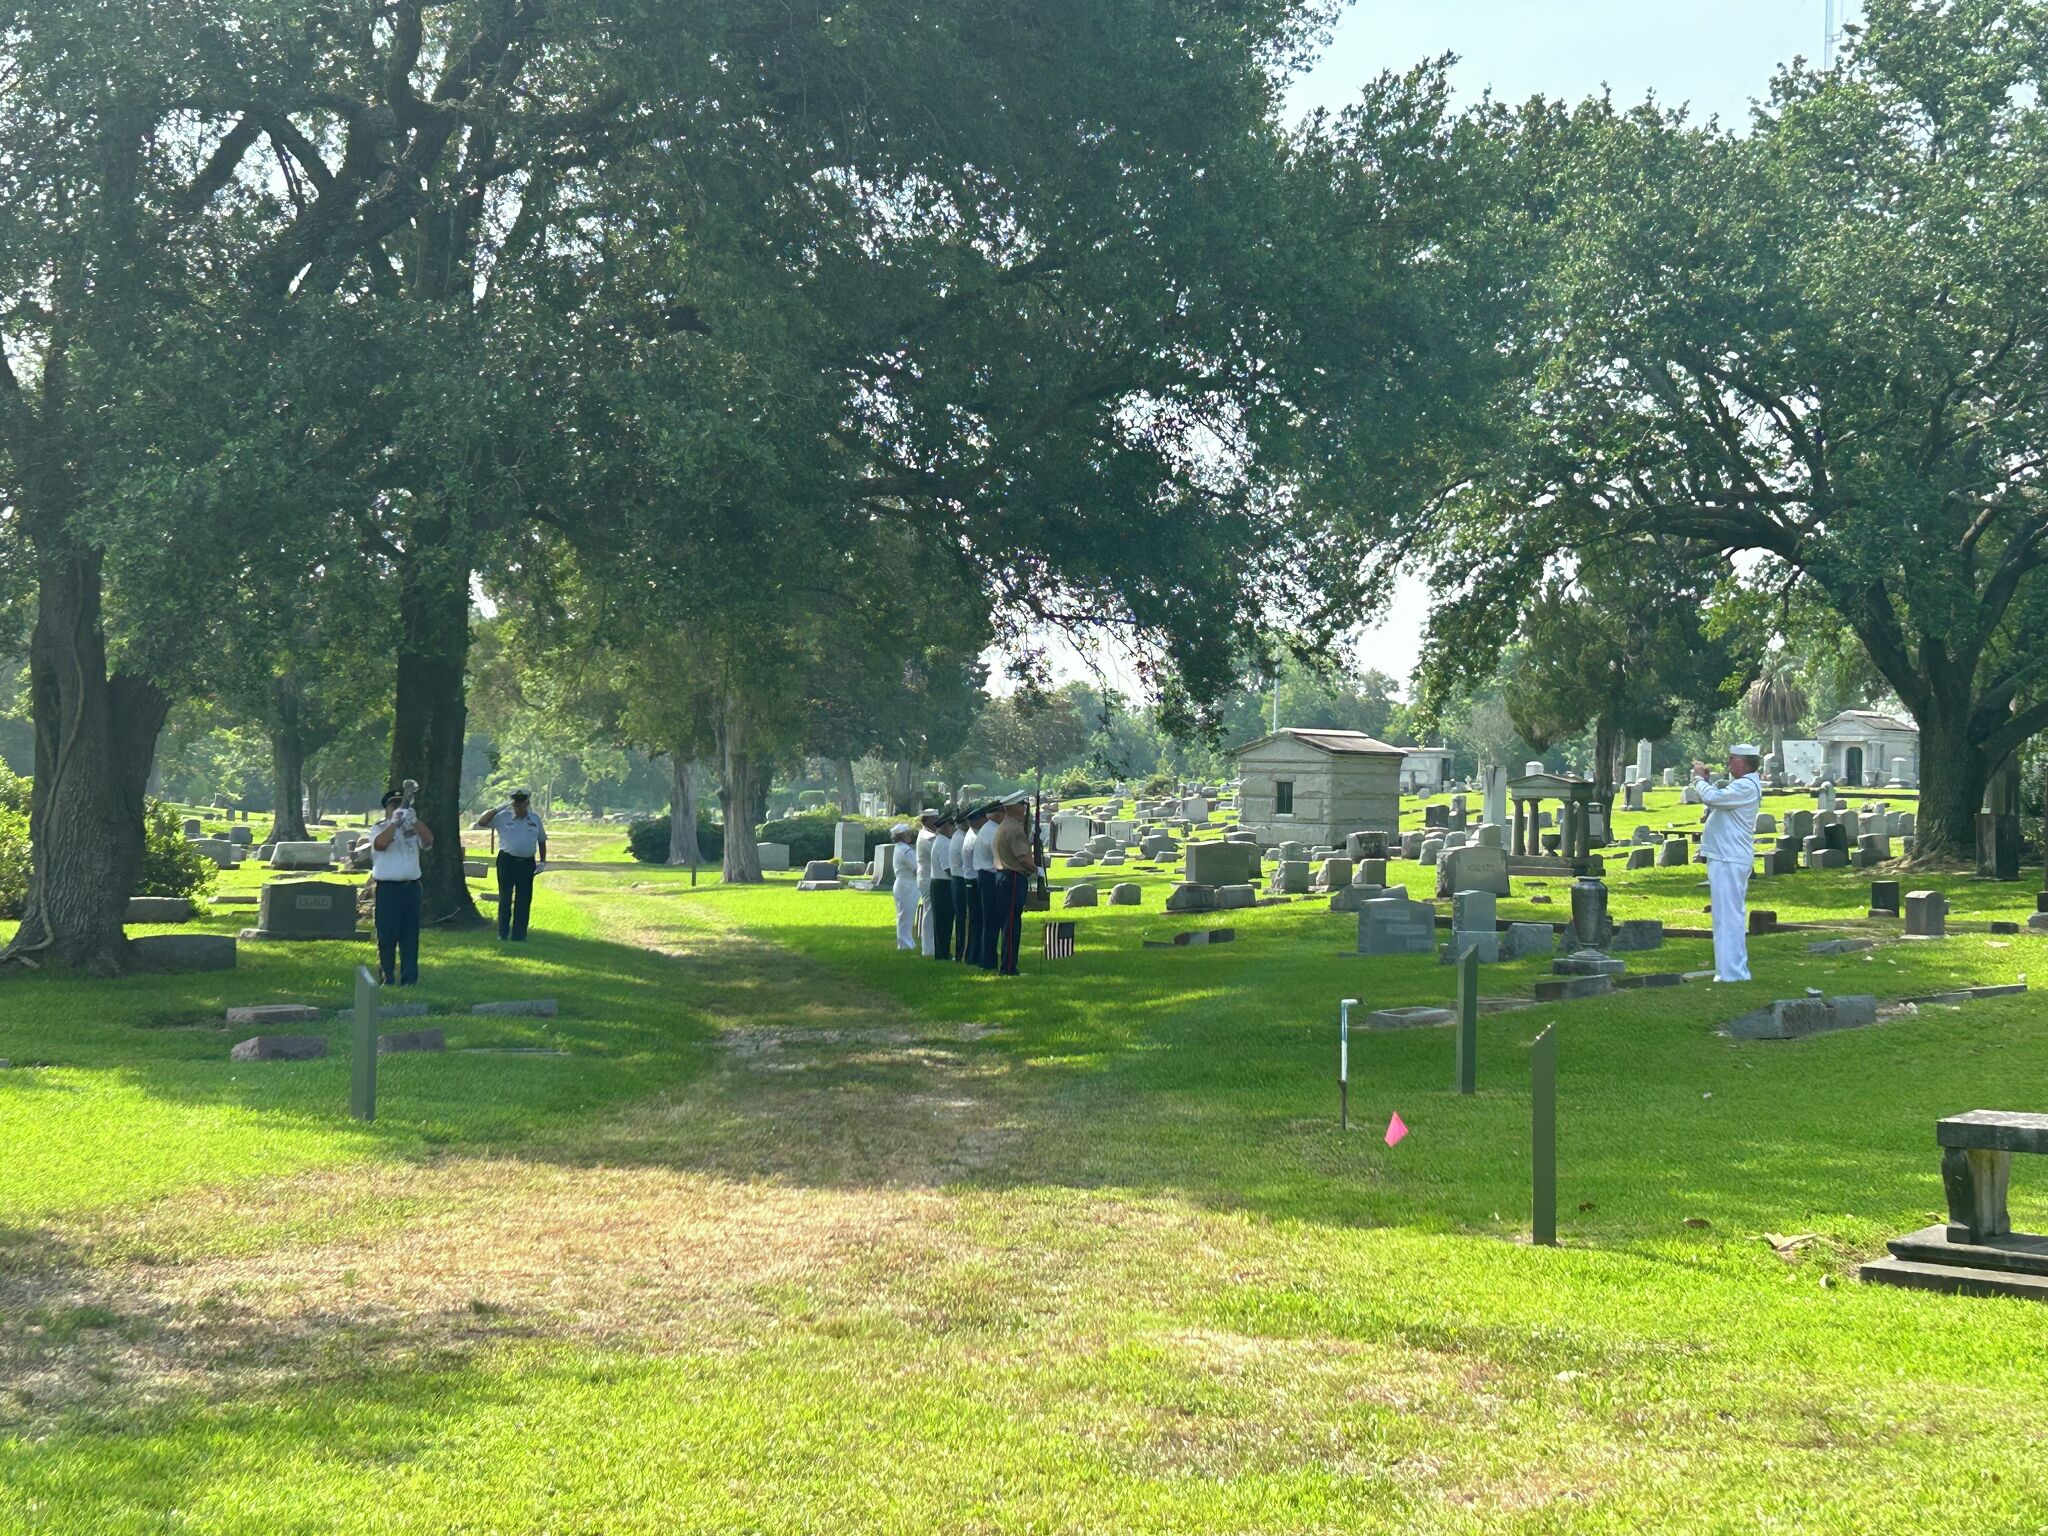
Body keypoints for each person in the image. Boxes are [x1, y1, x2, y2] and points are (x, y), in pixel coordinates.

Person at [1693, 744, 1764, 982]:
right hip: (1726, 856)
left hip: (1729, 858)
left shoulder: (1745, 785)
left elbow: (1713, 798)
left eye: (1732, 759)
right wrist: (1708, 781)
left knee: (1729, 917)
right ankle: (1729, 971)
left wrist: (1699, 780)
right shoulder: (1742, 785)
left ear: (1745, 762)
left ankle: (1732, 973)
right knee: (1725, 917)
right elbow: (1719, 799)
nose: (1729, 763)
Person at [368, 789, 434, 986]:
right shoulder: (378, 828)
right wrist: (395, 823)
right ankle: (387, 975)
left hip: (411, 887)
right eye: (394, 805)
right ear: (387, 808)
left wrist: (413, 821)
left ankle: (409, 978)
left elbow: (429, 841)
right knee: (387, 935)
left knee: (410, 935)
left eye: (402, 805)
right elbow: (381, 845)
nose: (399, 808)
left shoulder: (413, 828)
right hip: (388, 889)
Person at [473, 789, 547, 941]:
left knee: (524, 899)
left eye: (522, 804)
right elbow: (482, 822)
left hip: (527, 862)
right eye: (516, 804)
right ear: (512, 804)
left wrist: (543, 861)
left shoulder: (534, 819)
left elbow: (541, 840)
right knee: (505, 898)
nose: (519, 808)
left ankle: (520, 935)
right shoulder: (502, 817)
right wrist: (500, 807)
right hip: (507, 861)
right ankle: (503, 933)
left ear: (527, 803)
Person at [994, 790, 1040, 975]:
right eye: (1021, 805)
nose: (1024, 808)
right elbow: (1022, 857)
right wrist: (1037, 870)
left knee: (1009, 923)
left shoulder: (1006, 825)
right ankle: (1009, 967)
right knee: (1012, 924)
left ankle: (1008, 964)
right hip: (1013, 877)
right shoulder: (1013, 828)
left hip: (1005, 876)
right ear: (1014, 808)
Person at [973, 799, 1003, 970]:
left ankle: (988, 957)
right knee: (991, 921)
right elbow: (999, 856)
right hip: (989, 877)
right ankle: (988, 959)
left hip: (987, 877)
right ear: (997, 814)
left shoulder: (989, 829)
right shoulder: (992, 831)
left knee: (990, 920)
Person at [961, 805, 990, 966]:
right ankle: (975, 955)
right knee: (978, 920)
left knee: (975, 921)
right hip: (974, 881)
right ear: (978, 820)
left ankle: (973, 954)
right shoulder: (975, 837)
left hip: (971, 881)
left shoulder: (972, 834)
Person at [928, 810, 957, 960]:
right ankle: (943, 953)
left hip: (939, 883)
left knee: (942, 921)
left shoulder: (941, 841)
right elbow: (948, 868)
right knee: (944, 921)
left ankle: (942, 952)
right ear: (945, 826)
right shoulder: (944, 843)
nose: (953, 828)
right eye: (951, 824)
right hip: (943, 884)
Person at [887, 822, 919, 949]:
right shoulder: (905, 850)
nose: (910, 836)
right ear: (902, 836)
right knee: (906, 915)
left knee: (904, 915)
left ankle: (906, 942)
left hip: (904, 883)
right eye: (908, 833)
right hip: (907, 884)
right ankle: (905, 944)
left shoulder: (900, 848)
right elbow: (916, 868)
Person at [914, 808, 941, 955]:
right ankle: (928, 948)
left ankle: (932, 945)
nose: (938, 821)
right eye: (935, 818)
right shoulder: (927, 837)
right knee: (929, 911)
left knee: (931, 910)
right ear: (928, 820)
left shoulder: (930, 835)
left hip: (930, 876)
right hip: (927, 877)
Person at [948, 807, 972, 962]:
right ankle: (962, 953)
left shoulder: (959, 835)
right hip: (960, 880)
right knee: (964, 920)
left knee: (963, 919)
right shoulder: (961, 838)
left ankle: (962, 951)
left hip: (958, 880)